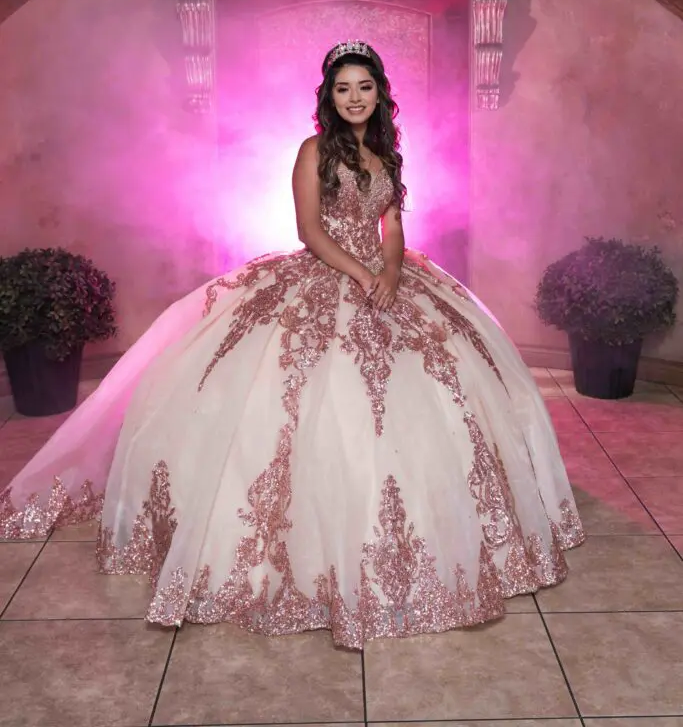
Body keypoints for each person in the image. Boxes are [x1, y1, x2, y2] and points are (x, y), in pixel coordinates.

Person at [0, 41, 584, 649]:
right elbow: (307, 230)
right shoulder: (313, 151)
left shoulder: (386, 151)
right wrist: (360, 277)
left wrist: (389, 271)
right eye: (343, 88)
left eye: (364, 87)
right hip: (326, 273)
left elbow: (394, 222)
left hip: (386, 275)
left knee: (443, 381)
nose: (354, 98)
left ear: (381, 93)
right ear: (328, 98)